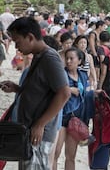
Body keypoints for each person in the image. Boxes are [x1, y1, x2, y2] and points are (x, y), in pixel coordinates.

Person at [0, 16, 71, 169]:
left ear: (30, 37)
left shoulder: (49, 57)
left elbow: (64, 93)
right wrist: (17, 88)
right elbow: (41, 90)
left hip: (37, 134)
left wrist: (40, 124)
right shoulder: (39, 57)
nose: (17, 47)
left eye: (18, 41)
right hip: (29, 131)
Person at [53, 47, 90, 170]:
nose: (68, 61)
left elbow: (85, 94)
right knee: (55, 153)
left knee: (71, 155)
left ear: (79, 61)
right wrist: (69, 90)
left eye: (71, 58)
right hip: (61, 117)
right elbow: (53, 90)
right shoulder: (61, 74)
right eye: (67, 58)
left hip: (77, 118)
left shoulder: (83, 75)